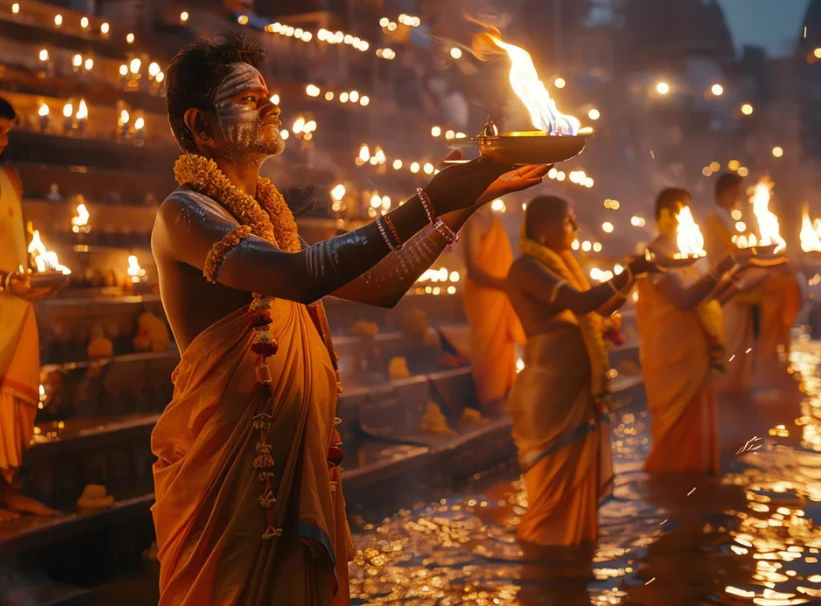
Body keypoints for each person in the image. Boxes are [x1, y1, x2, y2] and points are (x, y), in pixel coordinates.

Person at [149, 33, 549, 605]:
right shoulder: (184, 212)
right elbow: (301, 277)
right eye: (249, 99)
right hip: (233, 479)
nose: (272, 106)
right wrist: (429, 199)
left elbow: (380, 286)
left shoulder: (268, 218)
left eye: (269, 95)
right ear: (201, 125)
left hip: (292, 458)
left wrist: (469, 198)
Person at [505, 195, 660, 546]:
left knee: (576, 480)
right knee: (550, 493)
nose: (575, 228)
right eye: (568, 221)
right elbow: (582, 302)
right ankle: (543, 562)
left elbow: (600, 307)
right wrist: (630, 271)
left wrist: (635, 277)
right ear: (544, 228)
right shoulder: (526, 268)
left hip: (575, 389)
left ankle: (571, 551)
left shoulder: (562, 266)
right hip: (550, 393)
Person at [637, 188, 751, 475]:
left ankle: (693, 491)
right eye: (680, 209)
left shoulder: (684, 255)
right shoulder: (655, 255)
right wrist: (724, 264)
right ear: (664, 214)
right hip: (670, 358)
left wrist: (737, 277)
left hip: (694, 354)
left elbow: (706, 302)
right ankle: (668, 491)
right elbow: (684, 300)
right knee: (673, 438)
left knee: (696, 438)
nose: (688, 216)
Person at [0, 97, 57, 521]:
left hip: (18, 304)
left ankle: (8, 489)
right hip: (4, 297)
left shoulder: (10, 177)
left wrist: (39, 276)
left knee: (17, 400)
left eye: (7, 132)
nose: (3, 141)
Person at [703, 172, 766, 390]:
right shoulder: (714, 219)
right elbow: (726, 253)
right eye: (735, 192)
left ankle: (739, 386)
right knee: (729, 339)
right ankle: (723, 388)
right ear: (725, 192)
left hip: (740, 286)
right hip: (725, 286)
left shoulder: (731, 218)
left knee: (742, 341)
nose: (738, 196)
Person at [461, 206, 524, 412]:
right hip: (485, 298)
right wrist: (503, 284)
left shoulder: (494, 219)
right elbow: (473, 268)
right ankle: (488, 403)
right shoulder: (473, 220)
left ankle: (501, 402)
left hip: (501, 295)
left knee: (503, 347)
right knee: (488, 350)